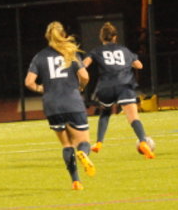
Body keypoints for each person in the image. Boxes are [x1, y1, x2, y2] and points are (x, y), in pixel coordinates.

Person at [25, 21, 95, 190]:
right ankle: (83, 153)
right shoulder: (70, 53)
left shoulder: (39, 56)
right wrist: (80, 87)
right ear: (64, 35)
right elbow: (85, 76)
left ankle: (76, 181)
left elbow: (29, 82)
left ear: (47, 37)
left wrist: (41, 88)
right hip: (72, 101)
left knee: (66, 144)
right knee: (84, 141)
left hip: (52, 105)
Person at [82, 22, 155, 159]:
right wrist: (128, 63)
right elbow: (139, 65)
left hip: (106, 87)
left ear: (101, 37)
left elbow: (84, 64)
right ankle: (143, 141)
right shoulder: (124, 50)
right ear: (115, 37)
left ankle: (99, 143)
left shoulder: (97, 50)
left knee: (105, 113)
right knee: (133, 117)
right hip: (124, 85)